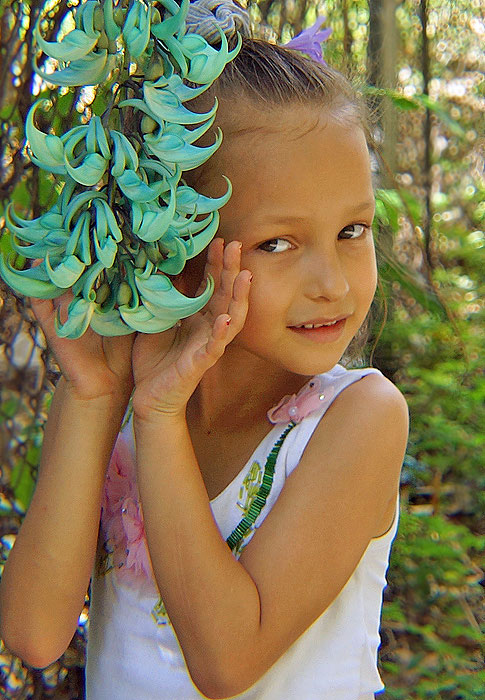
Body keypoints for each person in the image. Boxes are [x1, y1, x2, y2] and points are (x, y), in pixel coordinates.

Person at [0, 2, 409, 698]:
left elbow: (226, 663)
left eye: (353, 230)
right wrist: (98, 397)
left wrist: (160, 419)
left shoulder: (357, 417)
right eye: (276, 243)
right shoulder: (109, 396)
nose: (332, 284)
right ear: (173, 247)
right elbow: (35, 633)